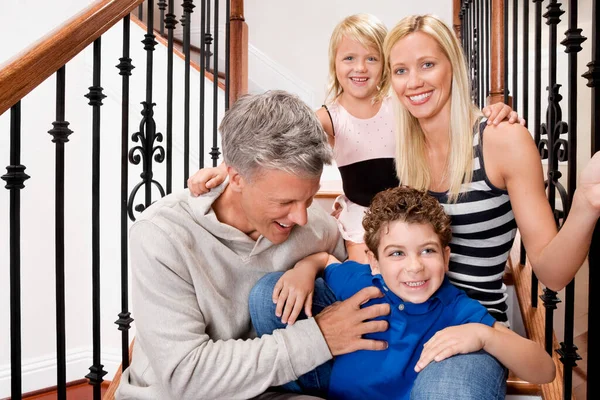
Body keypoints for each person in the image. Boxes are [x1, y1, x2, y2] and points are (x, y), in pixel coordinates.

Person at [115, 90, 391, 400]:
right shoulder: (162, 235)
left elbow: (363, 285)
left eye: (309, 198)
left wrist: (313, 262)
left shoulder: (317, 227)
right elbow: (185, 376)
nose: (301, 216)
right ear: (235, 178)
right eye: (284, 201)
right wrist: (321, 337)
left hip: (267, 391)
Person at [187, 13, 522, 264]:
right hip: (359, 217)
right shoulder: (329, 117)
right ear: (335, 63)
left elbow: (447, 121)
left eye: (372, 58)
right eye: (349, 58)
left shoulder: (401, 107)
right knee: (369, 280)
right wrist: (224, 168)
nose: (360, 68)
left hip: (406, 211)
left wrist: (494, 113)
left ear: (386, 67)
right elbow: (276, 147)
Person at [383, 14, 600, 323]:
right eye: (401, 70)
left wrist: (585, 204)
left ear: (453, 67)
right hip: (412, 316)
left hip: (474, 324)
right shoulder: (408, 151)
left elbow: (553, 275)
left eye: (427, 64)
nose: (414, 81)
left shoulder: (501, 138)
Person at [253, 186, 555, 400]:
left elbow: (545, 370)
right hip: (331, 388)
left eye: (427, 251)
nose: (415, 267)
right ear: (374, 261)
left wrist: (485, 335)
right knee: (270, 293)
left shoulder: (454, 308)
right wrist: (303, 269)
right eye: (397, 253)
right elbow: (327, 261)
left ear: (446, 257)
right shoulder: (361, 283)